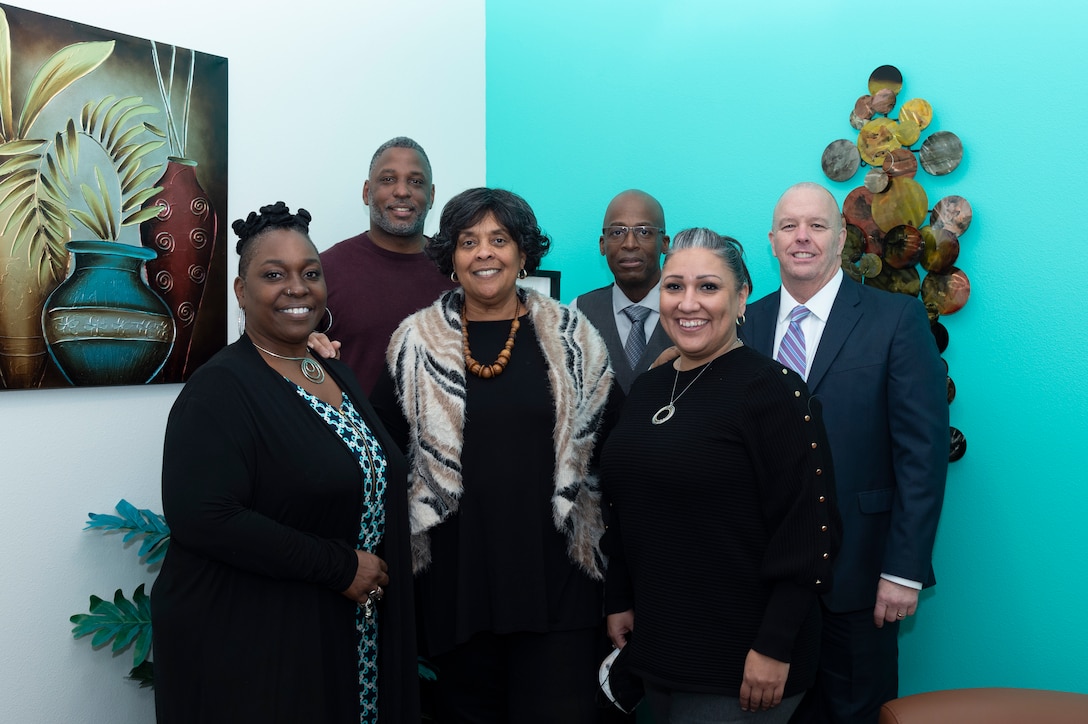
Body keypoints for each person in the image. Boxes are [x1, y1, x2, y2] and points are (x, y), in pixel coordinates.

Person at [151, 202, 418, 723]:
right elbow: (203, 515)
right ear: (240, 291)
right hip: (257, 640)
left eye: (310, 273)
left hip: (345, 634)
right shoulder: (220, 388)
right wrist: (340, 566)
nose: (297, 288)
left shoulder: (330, 371)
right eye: (273, 275)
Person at [370, 187, 619, 723]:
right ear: (451, 258)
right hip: (454, 591)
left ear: (523, 253)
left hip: (559, 588)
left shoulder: (576, 340)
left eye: (499, 240)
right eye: (468, 241)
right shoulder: (414, 344)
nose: (484, 253)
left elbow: (616, 454)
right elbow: (379, 455)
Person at [601, 228, 841, 723]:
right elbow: (627, 505)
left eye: (708, 287)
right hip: (662, 647)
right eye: (674, 286)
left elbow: (810, 530)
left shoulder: (773, 392)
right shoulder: (649, 388)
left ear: (742, 298)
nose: (688, 303)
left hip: (744, 659)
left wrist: (774, 646)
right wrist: (621, 597)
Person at [742, 182, 948, 724]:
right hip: (761, 582)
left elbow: (921, 455)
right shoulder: (744, 325)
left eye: (817, 226)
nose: (802, 237)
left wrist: (904, 571)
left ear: (840, 240)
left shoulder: (896, 320)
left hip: (860, 578)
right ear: (772, 240)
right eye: (789, 226)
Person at [320, 136, 456, 393]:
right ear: (366, 192)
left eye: (415, 182)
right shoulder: (325, 270)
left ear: (432, 195)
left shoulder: (457, 270)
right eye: (388, 179)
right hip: (351, 432)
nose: (402, 191)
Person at [572, 189, 672, 393]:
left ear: (664, 243)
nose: (630, 244)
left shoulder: (688, 310)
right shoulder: (578, 313)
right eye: (617, 232)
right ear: (603, 244)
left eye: (644, 231)